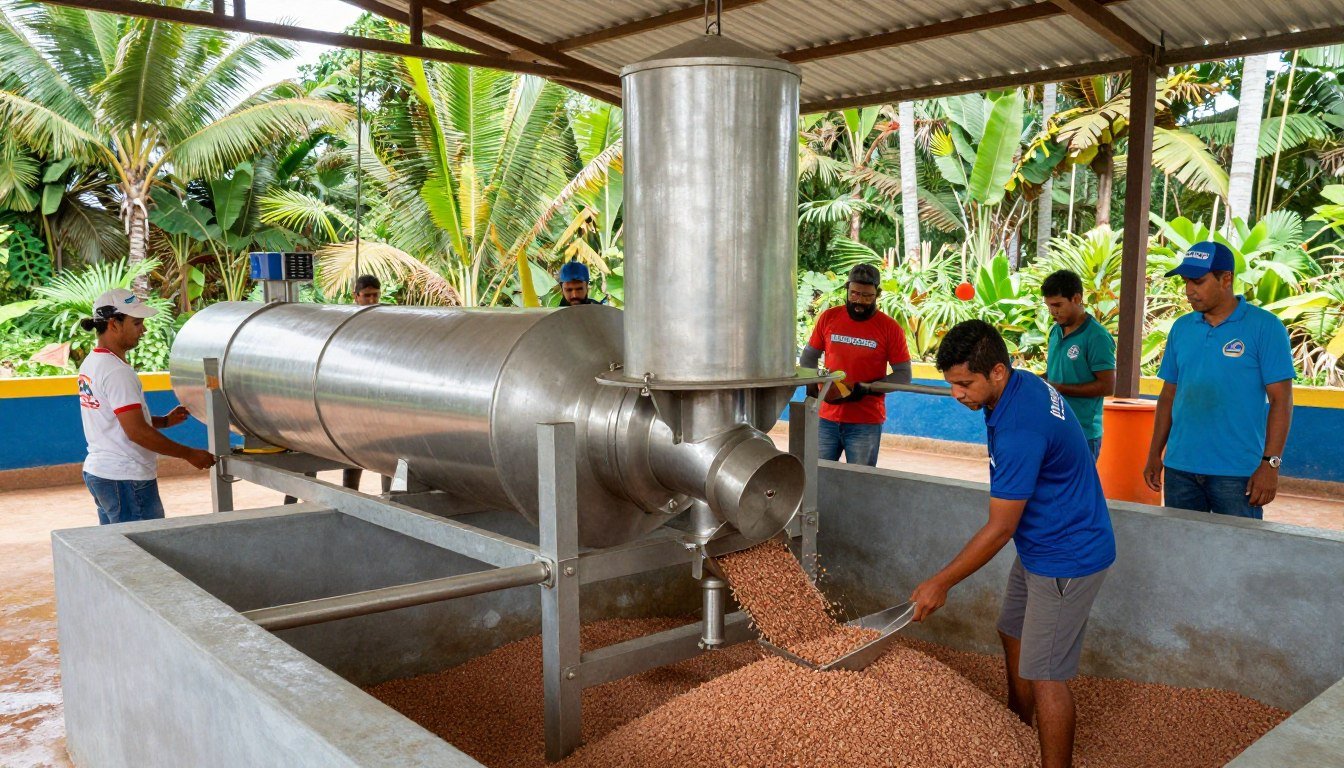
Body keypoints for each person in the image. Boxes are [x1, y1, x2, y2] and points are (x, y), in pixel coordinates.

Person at [909, 319, 1114, 768]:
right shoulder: (1019, 386)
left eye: (965, 384)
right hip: (1041, 543)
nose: (957, 394)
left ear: (997, 371)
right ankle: (1017, 729)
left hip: (1067, 555)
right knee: (1012, 629)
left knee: (1046, 675)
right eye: (951, 384)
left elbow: (1000, 528)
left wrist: (941, 582)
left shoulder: (1021, 427)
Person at [1143, 241, 1295, 519]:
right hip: (1180, 468)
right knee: (1181, 552)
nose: (1190, 290)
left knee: (1238, 558)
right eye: (1186, 281)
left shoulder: (1265, 327)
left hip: (1237, 473)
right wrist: (1155, 454)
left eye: (1198, 281)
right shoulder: (1181, 328)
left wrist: (1270, 465)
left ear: (1226, 279)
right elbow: (1168, 396)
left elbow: (1281, 400)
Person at [78, 289, 216, 525]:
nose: (144, 330)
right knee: (140, 551)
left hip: (103, 474)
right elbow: (137, 432)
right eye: (137, 323)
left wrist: (163, 421)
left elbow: (119, 419)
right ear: (114, 324)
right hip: (126, 478)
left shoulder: (93, 362)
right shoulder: (116, 372)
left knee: (122, 549)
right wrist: (190, 454)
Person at [799, 264, 911, 466]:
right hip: (826, 419)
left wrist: (866, 388)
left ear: (877, 294)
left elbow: (903, 375)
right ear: (847, 290)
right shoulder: (829, 318)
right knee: (817, 477)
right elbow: (808, 356)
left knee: (860, 484)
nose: (859, 301)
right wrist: (812, 386)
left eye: (867, 296)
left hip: (865, 422)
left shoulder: (890, 329)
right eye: (854, 294)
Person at [1041, 269, 1115, 461]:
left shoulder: (1097, 336)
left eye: (1058, 305)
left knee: (1079, 490)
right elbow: (1054, 374)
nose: (1053, 311)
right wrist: (1036, 381)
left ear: (1076, 298)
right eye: (1049, 306)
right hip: (1054, 427)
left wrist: (1059, 389)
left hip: (1083, 432)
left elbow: (1107, 386)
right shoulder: (1055, 331)